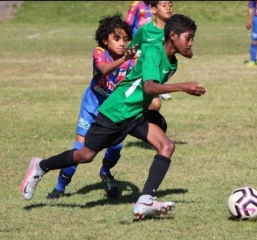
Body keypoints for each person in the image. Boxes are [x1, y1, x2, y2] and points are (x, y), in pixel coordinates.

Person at [20, 14, 206, 219]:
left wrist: (185, 46)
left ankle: (145, 200)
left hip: (135, 114)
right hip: (117, 111)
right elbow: (149, 86)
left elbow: (179, 59)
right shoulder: (154, 52)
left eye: (192, 39)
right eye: (188, 38)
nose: (191, 43)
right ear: (172, 35)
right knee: (85, 155)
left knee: (167, 146)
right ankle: (40, 166)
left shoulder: (172, 62)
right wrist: (183, 86)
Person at [46, 13, 138, 200]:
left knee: (116, 147)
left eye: (126, 40)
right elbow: (104, 70)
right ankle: (60, 187)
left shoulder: (132, 61)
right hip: (91, 105)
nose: (122, 43)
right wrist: (124, 59)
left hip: (113, 111)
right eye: (117, 38)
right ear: (105, 40)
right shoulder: (99, 52)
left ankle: (105, 172)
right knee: (79, 146)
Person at [128, 1, 174, 110]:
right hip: (141, 75)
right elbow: (131, 49)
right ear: (153, 10)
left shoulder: (172, 33)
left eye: (170, 5)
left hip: (156, 76)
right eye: (164, 5)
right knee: (154, 104)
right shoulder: (145, 30)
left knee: (154, 105)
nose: (168, 8)